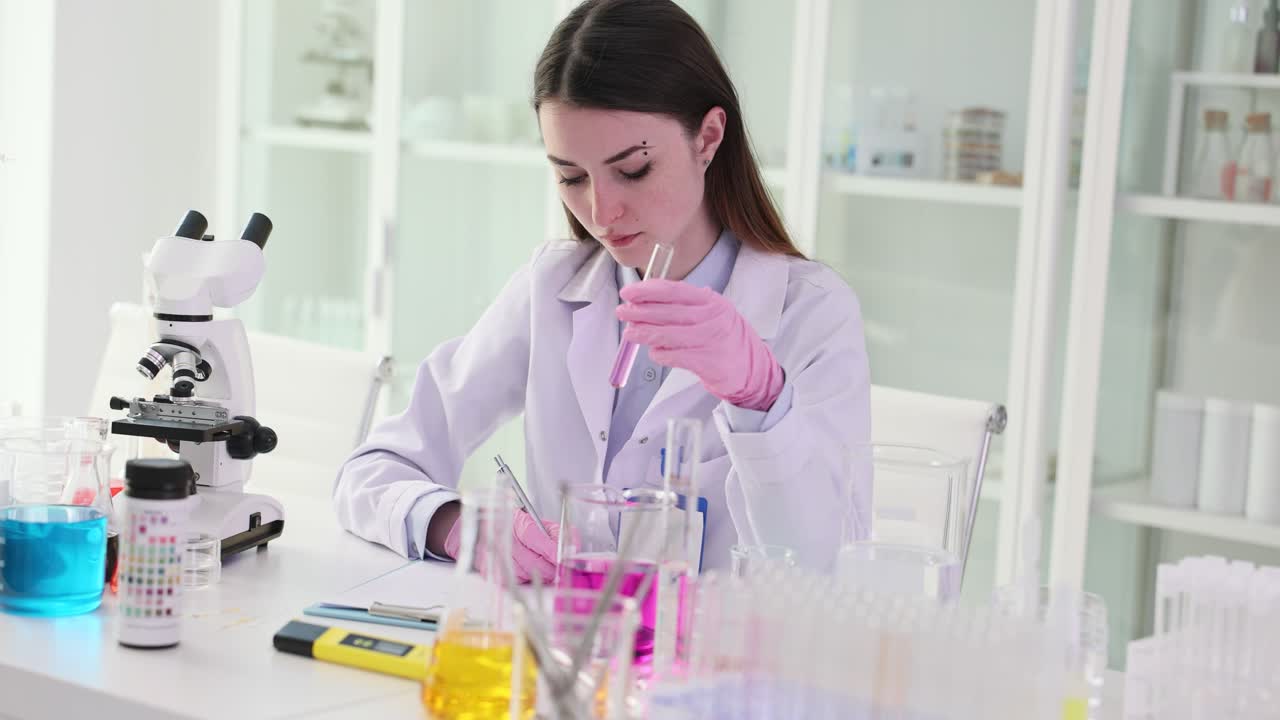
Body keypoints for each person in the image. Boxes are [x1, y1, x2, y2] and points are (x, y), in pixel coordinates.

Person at [333, 0, 870, 578]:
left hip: (716, 657)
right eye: (570, 176)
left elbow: (825, 565)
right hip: (559, 647)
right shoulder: (553, 287)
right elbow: (371, 469)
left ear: (708, 137)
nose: (601, 210)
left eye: (634, 168)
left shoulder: (811, 311)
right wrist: (455, 525)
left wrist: (763, 401)